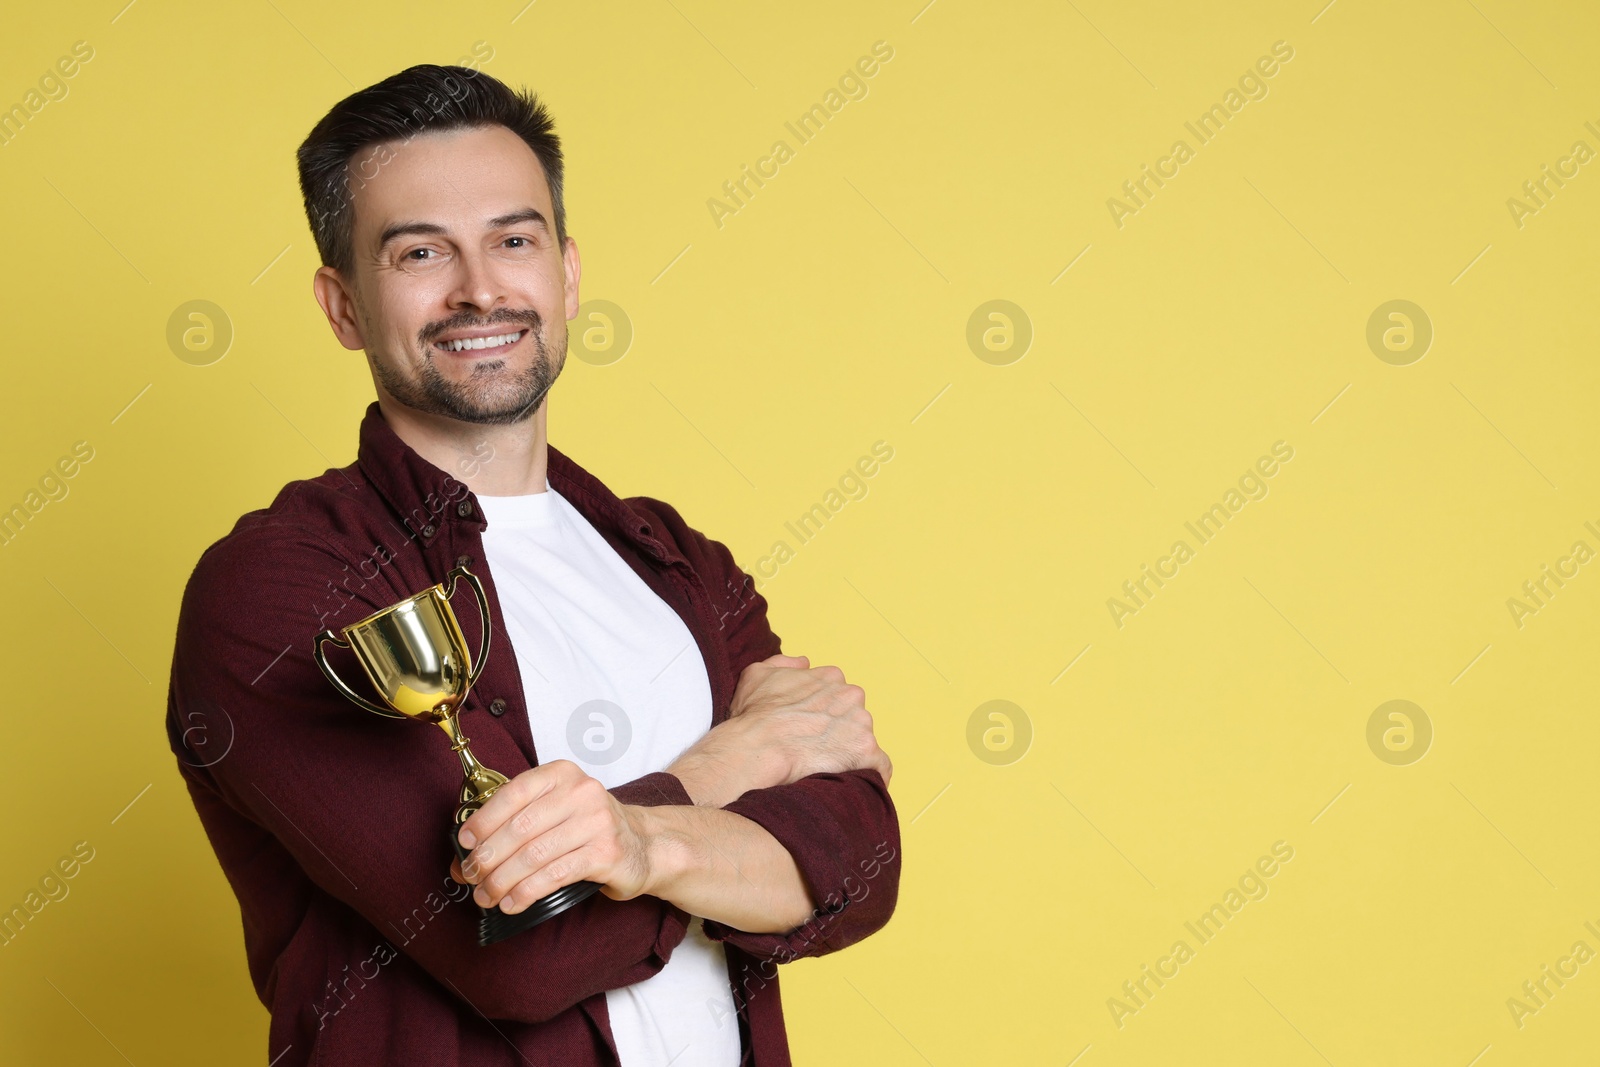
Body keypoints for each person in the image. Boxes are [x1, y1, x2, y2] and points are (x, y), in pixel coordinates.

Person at [165, 64, 899, 1067]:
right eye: (421, 251)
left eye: (514, 239)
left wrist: (637, 843)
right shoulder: (286, 586)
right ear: (340, 307)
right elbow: (520, 950)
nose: (480, 288)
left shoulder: (674, 559)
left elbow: (856, 855)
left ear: (565, 273)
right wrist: (737, 764)